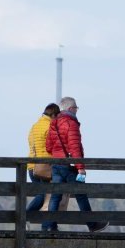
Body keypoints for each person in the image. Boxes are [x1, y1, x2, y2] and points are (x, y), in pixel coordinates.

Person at [43, 96, 107, 232]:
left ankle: (50, 226)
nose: (77, 111)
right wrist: (80, 168)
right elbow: (75, 147)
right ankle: (92, 224)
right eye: (76, 108)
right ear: (71, 108)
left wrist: (57, 153)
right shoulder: (71, 124)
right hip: (69, 165)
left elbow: (48, 146)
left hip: (56, 164)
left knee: (55, 197)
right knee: (81, 194)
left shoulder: (54, 123)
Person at [25, 102, 59, 215]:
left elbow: (30, 143)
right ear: (54, 115)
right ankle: (25, 216)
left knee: (41, 194)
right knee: (43, 195)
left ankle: (27, 218)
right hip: (43, 166)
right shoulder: (50, 127)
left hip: (31, 165)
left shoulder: (34, 126)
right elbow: (53, 147)